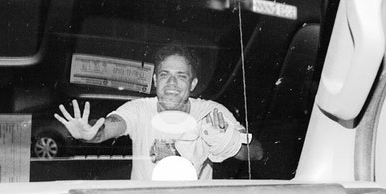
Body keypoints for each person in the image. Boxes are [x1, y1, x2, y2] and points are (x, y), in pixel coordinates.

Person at [55, 44, 263, 180]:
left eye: (181, 76)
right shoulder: (139, 109)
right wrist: (92, 133)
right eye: (165, 74)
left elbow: (256, 152)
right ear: (155, 80)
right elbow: (112, 125)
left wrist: (226, 141)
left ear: (193, 84)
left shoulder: (211, 112)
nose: (172, 82)